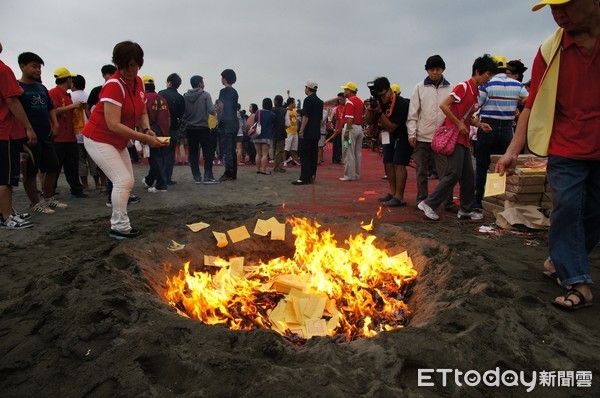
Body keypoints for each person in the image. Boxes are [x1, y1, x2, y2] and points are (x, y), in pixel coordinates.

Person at [497, 0, 599, 311]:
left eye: (566, 5)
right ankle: (578, 282)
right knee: (566, 206)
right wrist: (513, 150)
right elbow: (531, 106)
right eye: (552, 9)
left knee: (595, 211)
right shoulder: (550, 50)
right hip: (565, 147)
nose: (558, 14)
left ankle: (559, 259)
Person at [82, 41, 167, 239]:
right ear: (117, 64)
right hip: (99, 138)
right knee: (123, 180)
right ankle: (119, 226)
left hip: (118, 140)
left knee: (127, 182)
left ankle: (120, 222)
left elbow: (142, 110)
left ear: (139, 64)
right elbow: (113, 124)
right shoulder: (113, 85)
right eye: (124, 66)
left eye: (134, 65)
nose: (129, 70)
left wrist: (146, 128)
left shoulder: (139, 83)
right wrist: (145, 138)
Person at [417, 54, 497, 221]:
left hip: (463, 138)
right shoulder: (464, 87)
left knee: (468, 175)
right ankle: (429, 203)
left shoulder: (475, 91)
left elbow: (467, 116)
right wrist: (458, 124)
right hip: (455, 136)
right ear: (477, 71)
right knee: (454, 173)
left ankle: (466, 209)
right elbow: (444, 105)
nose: (488, 78)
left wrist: (479, 124)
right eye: (488, 74)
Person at [474, 55, 528, 207]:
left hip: (487, 127)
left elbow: (476, 105)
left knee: (482, 165)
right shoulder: (517, 85)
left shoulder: (487, 84)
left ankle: (479, 200)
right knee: (501, 165)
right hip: (507, 129)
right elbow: (528, 99)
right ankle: (497, 199)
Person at [17, 51, 64, 214]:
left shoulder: (41, 87)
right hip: (28, 137)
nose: (38, 70)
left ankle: (48, 198)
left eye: (39, 67)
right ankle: (35, 203)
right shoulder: (18, 88)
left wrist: (55, 124)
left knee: (54, 166)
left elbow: (50, 107)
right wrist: (27, 129)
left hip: (46, 134)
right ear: (23, 66)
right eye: (34, 66)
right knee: (30, 171)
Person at [407, 55, 454, 208]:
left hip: (443, 137)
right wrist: (412, 133)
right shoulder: (419, 88)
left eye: (438, 69)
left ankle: (447, 200)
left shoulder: (451, 88)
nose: (435, 72)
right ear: (427, 70)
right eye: (432, 69)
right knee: (421, 170)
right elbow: (413, 113)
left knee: (445, 172)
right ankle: (421, 199)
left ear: (443, 70)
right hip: (422, 136)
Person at [0, 41, 36, 229]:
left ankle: (6, 211)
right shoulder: (3, 70)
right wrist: (28, 127)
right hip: (6, 131)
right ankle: (6, 217)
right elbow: (12, 100)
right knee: (6, 178)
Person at [365, 77, 411, 207]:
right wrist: (370, 109)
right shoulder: (379, 102)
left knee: (399, 163)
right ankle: (393, 193)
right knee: (388, 162)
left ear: (390, 90)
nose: (382, 98)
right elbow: (367, 121)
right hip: (388, 135)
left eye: (384, 94)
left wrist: (379, 112)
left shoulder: (401, 104)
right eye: (379, 96)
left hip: (403, 134)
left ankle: (399, 197)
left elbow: (392, 126)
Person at [48, 67, 88, 198]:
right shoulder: (54, 93)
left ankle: (76, 190)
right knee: (55, 167)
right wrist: (72, 106)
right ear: (68, 79)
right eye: (71, 79)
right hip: (59, 137)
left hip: (70, 136)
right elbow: (53, 111)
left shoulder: (67, 95)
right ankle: (50, 193)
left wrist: (77, 107)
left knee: (72, 166)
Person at [182, 75, 218, 184]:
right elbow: (211, 111)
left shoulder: (185, 96)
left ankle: (196, 177)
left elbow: (183, 113)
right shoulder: (205, 95)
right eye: (203, 82)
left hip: (190, 128)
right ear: (199, 84)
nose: (204, 84)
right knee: (207, 153)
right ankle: (208, 176)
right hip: (203, 128)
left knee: (193, 153)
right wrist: (217, 109)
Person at [71, 74, 101, 192]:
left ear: (73, 84)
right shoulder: (89, 95)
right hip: (90, 134)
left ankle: (85, 185)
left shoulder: (70, 97)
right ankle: (98, 183)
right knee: (93, 159)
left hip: (76, 133)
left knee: (81, 161)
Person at [141, 75, 170, 192]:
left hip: (151, 132)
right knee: (161, 159)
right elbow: (168, 117)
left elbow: (143, 118)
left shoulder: (144, 99)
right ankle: (149, 180)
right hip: (165, 131)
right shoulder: (162, 99)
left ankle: (161, 185)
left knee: (155, 159)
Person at [292, 80, 323, 185]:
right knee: (313, 155)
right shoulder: (320, 102)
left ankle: (304, 178)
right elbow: (320, 118)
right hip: (316, 131)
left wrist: (301, 130)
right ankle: (312, 176)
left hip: (308, 131)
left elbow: (306, 116)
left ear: (308, 88)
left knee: (304, 154)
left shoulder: (307, 100)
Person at [158, 73, 185, 185]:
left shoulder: (160, 94)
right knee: (170, 154)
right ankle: (167, 178)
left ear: (169, 82)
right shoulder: (180, 98)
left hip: (161, 128)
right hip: (173, 128)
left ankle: (160, 177)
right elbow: (181, 113)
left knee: (160, 153)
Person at [216, 69, 239, 182]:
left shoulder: (224, 91)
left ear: (225, 78)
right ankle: (233, 173)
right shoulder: (234, 92)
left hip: (226, 123)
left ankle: (228, 173)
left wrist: (217, 119)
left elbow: (221, 107)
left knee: (227, 150)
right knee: (232, 149)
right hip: (234, 122)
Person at [339, 81, 364, 182]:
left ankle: (349, 175)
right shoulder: (360, 101)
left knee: (348, 152)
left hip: (351, 128)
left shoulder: (349, 102)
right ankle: (356, 174)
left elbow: (349, 118)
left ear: (349, 91)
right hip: (359, 128)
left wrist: (347, 131)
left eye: (345, 89)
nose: (344, 91)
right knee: (357, 153)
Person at [252, 97, 276, 175]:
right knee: (265, 154)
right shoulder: (272, 114)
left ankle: (258, 169)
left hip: (257, 135)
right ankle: (264, 170)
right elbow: (273, 124)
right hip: (266, 135)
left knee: (258, 153)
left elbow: (255, 122)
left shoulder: (257, 112)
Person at [271, 95, 289, 173]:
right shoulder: (284, 110)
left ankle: (277, 166)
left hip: (272, 132)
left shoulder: (271, 110)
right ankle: (277, 167)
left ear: (275, 101)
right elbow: (288, 124)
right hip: (281, 132)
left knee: (274, 149)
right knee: (280, 150)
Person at [283, 97, 300, 166]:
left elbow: (298, 114)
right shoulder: (286, 111)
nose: (295, 104)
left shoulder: (295, 110)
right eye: (294, 102)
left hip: (295, 132)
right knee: (286, 148)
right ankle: (284, 161)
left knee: (294, 148)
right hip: (288, 132)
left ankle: (294, 160)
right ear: (291, 103)